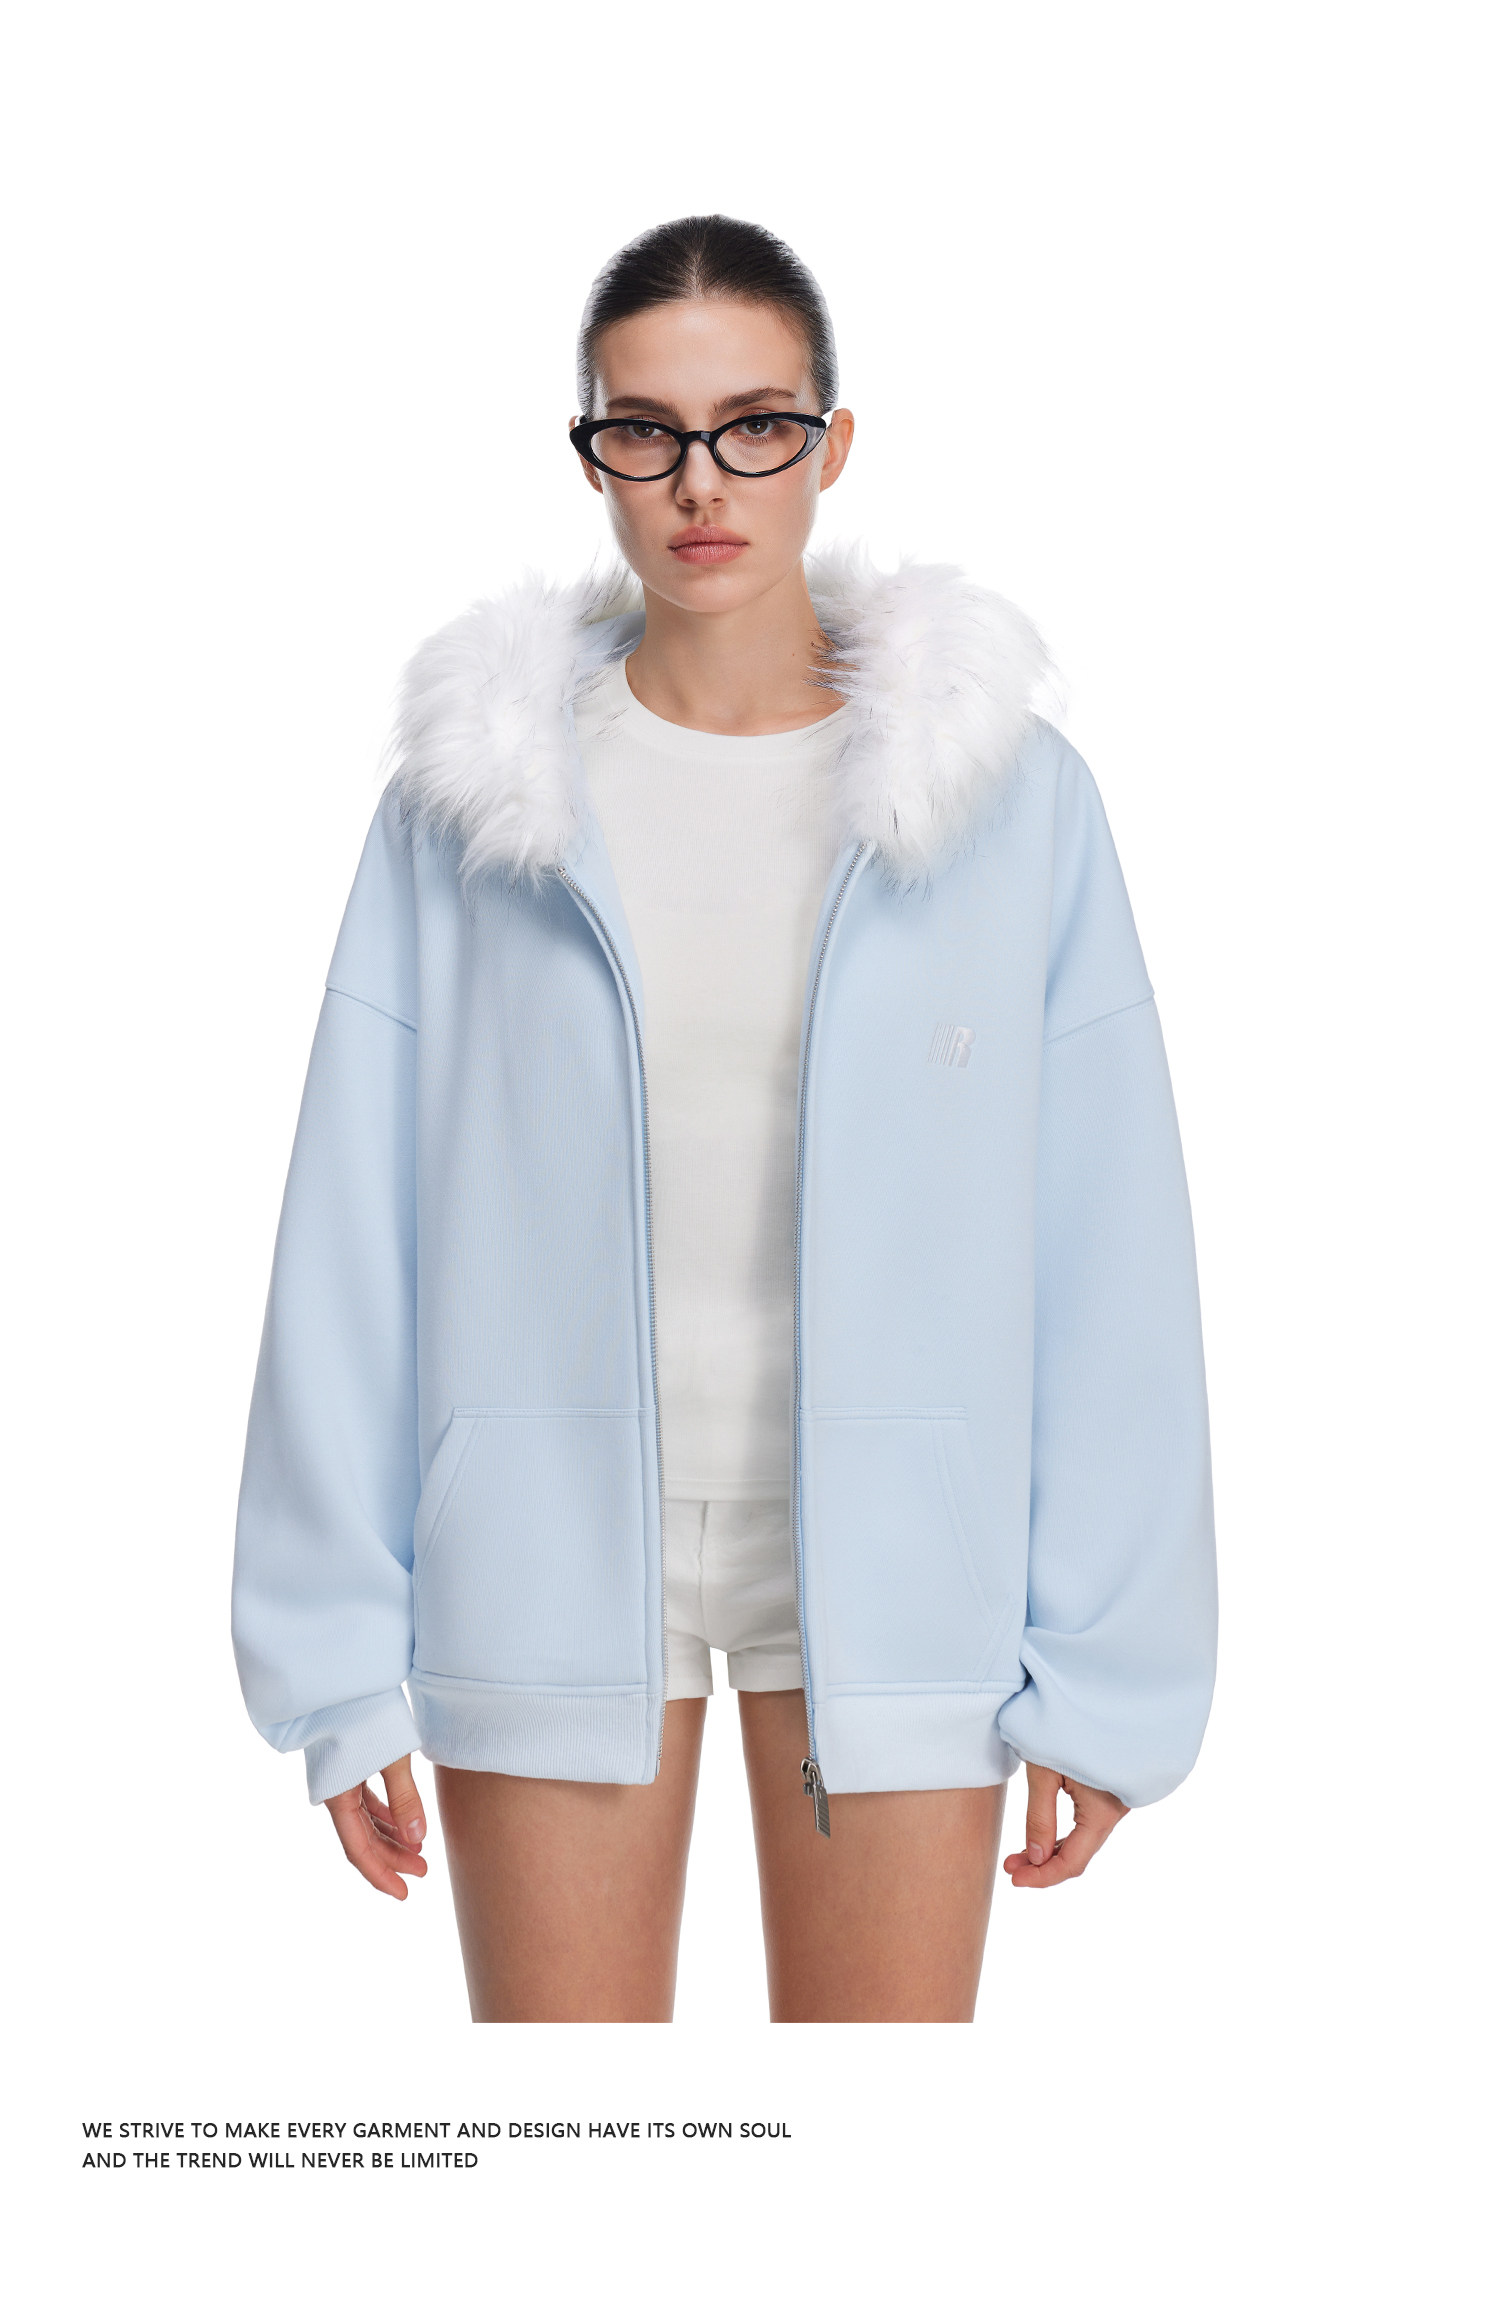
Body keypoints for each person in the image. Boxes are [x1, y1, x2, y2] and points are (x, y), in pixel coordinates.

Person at [231, 214, 1217, 2022]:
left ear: (833, 442)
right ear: (593, 452)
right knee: (573, 2153)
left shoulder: (1011, 805)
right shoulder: (472, 802)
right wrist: (336, 1657)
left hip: (905, 1569)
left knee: (874, 2159)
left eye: (756, 424)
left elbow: (1110, 1245)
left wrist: (1110, 1670)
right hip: (538, 1549)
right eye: (647, 429)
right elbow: (351, 1234)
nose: (702, 481)